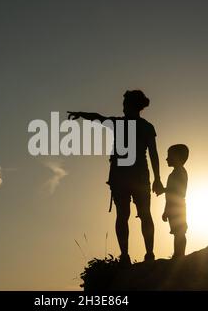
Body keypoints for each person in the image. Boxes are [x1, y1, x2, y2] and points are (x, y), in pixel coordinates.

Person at [67, 90, 164, 265]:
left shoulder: (137, 126)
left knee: (134, 215)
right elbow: (98, 117)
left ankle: (143, 254)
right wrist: (82, 114)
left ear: (132, 105)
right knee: (133, 215)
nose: (123, 107)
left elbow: (154, 154)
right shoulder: (137, 125)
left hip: (131, 176)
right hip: (129, 176)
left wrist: (158, 178)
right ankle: (132, 255)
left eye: (125, 104)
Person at [162, 144, 189, 258]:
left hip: (177, 206)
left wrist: (164, 189)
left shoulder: (180, 172)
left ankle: (179, 255)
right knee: (177, 231)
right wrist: (166, 210)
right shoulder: (175, 173)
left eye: (169, 156)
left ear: (177, 157)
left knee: (180, 232)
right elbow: (170, 195)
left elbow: (178, 191)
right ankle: (178, 254)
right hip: (173, 206)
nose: (167, 158)